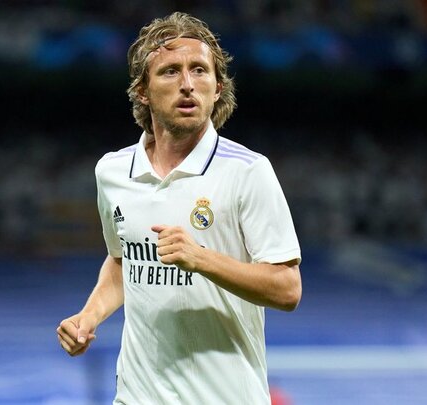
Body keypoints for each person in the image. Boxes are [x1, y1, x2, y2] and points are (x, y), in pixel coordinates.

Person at [57, 12, 302, 404]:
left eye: (199, 70)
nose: (187, 84)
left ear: (217, 88)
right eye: (170, 71)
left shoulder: (248, 171)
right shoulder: (113, 171)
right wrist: (89, 316)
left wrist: (201, 258)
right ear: (142, 91)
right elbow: (122, 259)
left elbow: (287, 288)